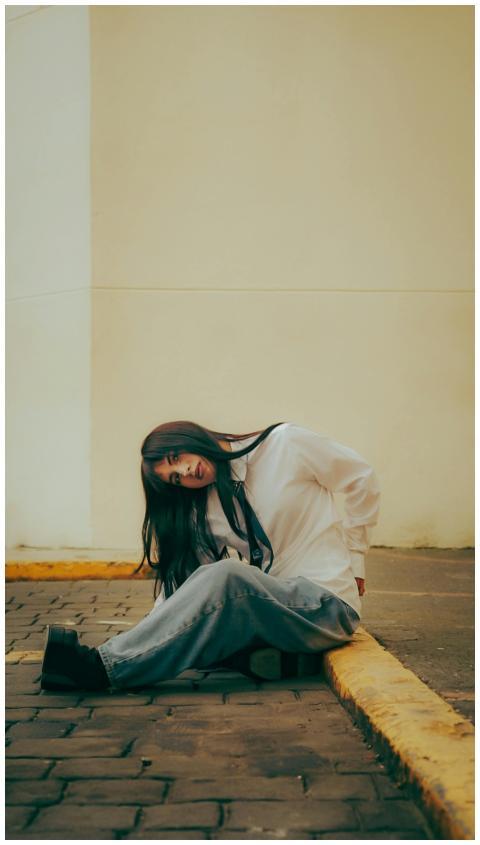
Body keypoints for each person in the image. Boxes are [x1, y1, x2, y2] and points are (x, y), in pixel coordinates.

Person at [40, 420, 381, 691]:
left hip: (326, 607)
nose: (186, 473)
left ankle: (97, 669)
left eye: (177, 458)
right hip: (276, 613)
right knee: (195, 628)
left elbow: (360, 479)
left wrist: (356, 559)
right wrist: (153, 631)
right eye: (175, 478)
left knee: (228, 576)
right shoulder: (204, 508)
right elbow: (189, 591)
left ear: (191, 436)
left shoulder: (285, 444)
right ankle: (285, 661)